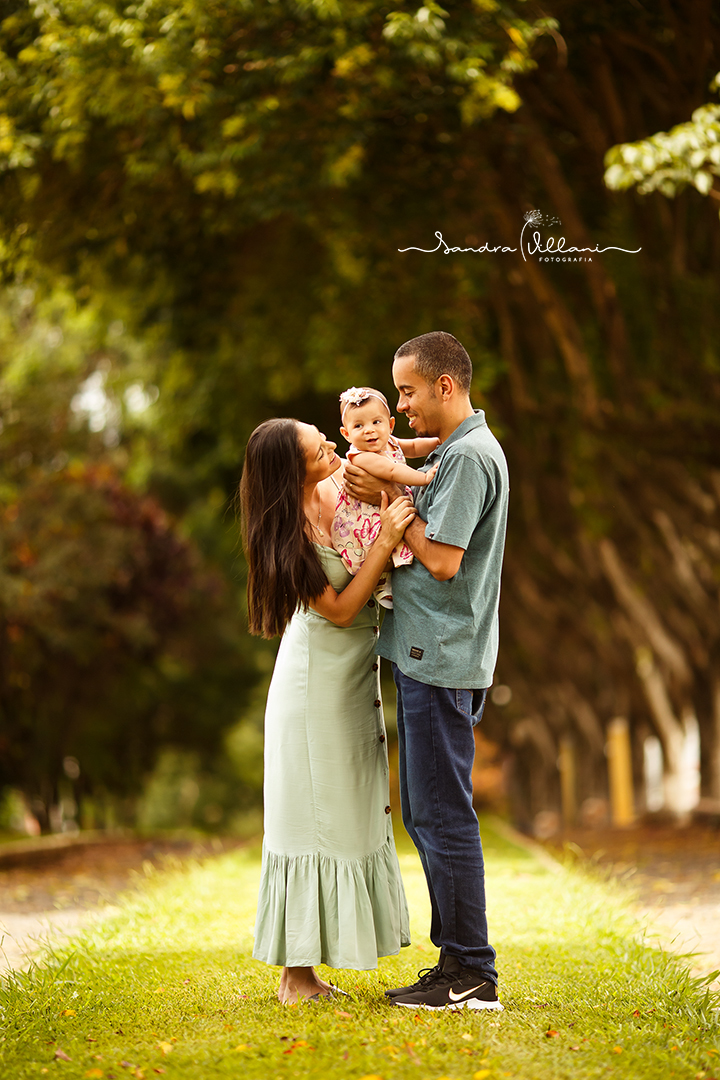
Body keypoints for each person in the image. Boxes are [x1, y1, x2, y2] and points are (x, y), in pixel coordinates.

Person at [343, 331, 509, 1012]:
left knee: (442, 815)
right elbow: (414, 455)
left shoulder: (468, 458)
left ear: (445, 385)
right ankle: (457, 965)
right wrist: (387, 465)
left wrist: (395, 514)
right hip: (434, 656)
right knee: (431, 812)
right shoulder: (456, 450)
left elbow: (442, 560)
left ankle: (471, 971)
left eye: (407, 391)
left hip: (440, 659)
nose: (401, 406)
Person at [239, 417, 415, 1004]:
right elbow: (338, 610)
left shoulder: (337, 490)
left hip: (354, 675)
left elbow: (390, 452)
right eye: (320, 449)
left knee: (345, 812)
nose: (335, 449)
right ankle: (295, 976)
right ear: (295, 470)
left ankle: (309, 970)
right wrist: (388, 541)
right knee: (307, 818)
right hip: (314, 682)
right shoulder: (285, 533)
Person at [332, 385, 438, 607]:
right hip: (368, 515)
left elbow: (417, 446)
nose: (369, 430)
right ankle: (381, 584)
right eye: (359, 426)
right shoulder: (360, 456)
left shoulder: (390, 442)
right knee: (380, 545)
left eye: (376, 422)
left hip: (385, 504)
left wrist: (441, 442)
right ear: (346, 433)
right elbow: (392, 471)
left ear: (390, 424)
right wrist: (424, 477)